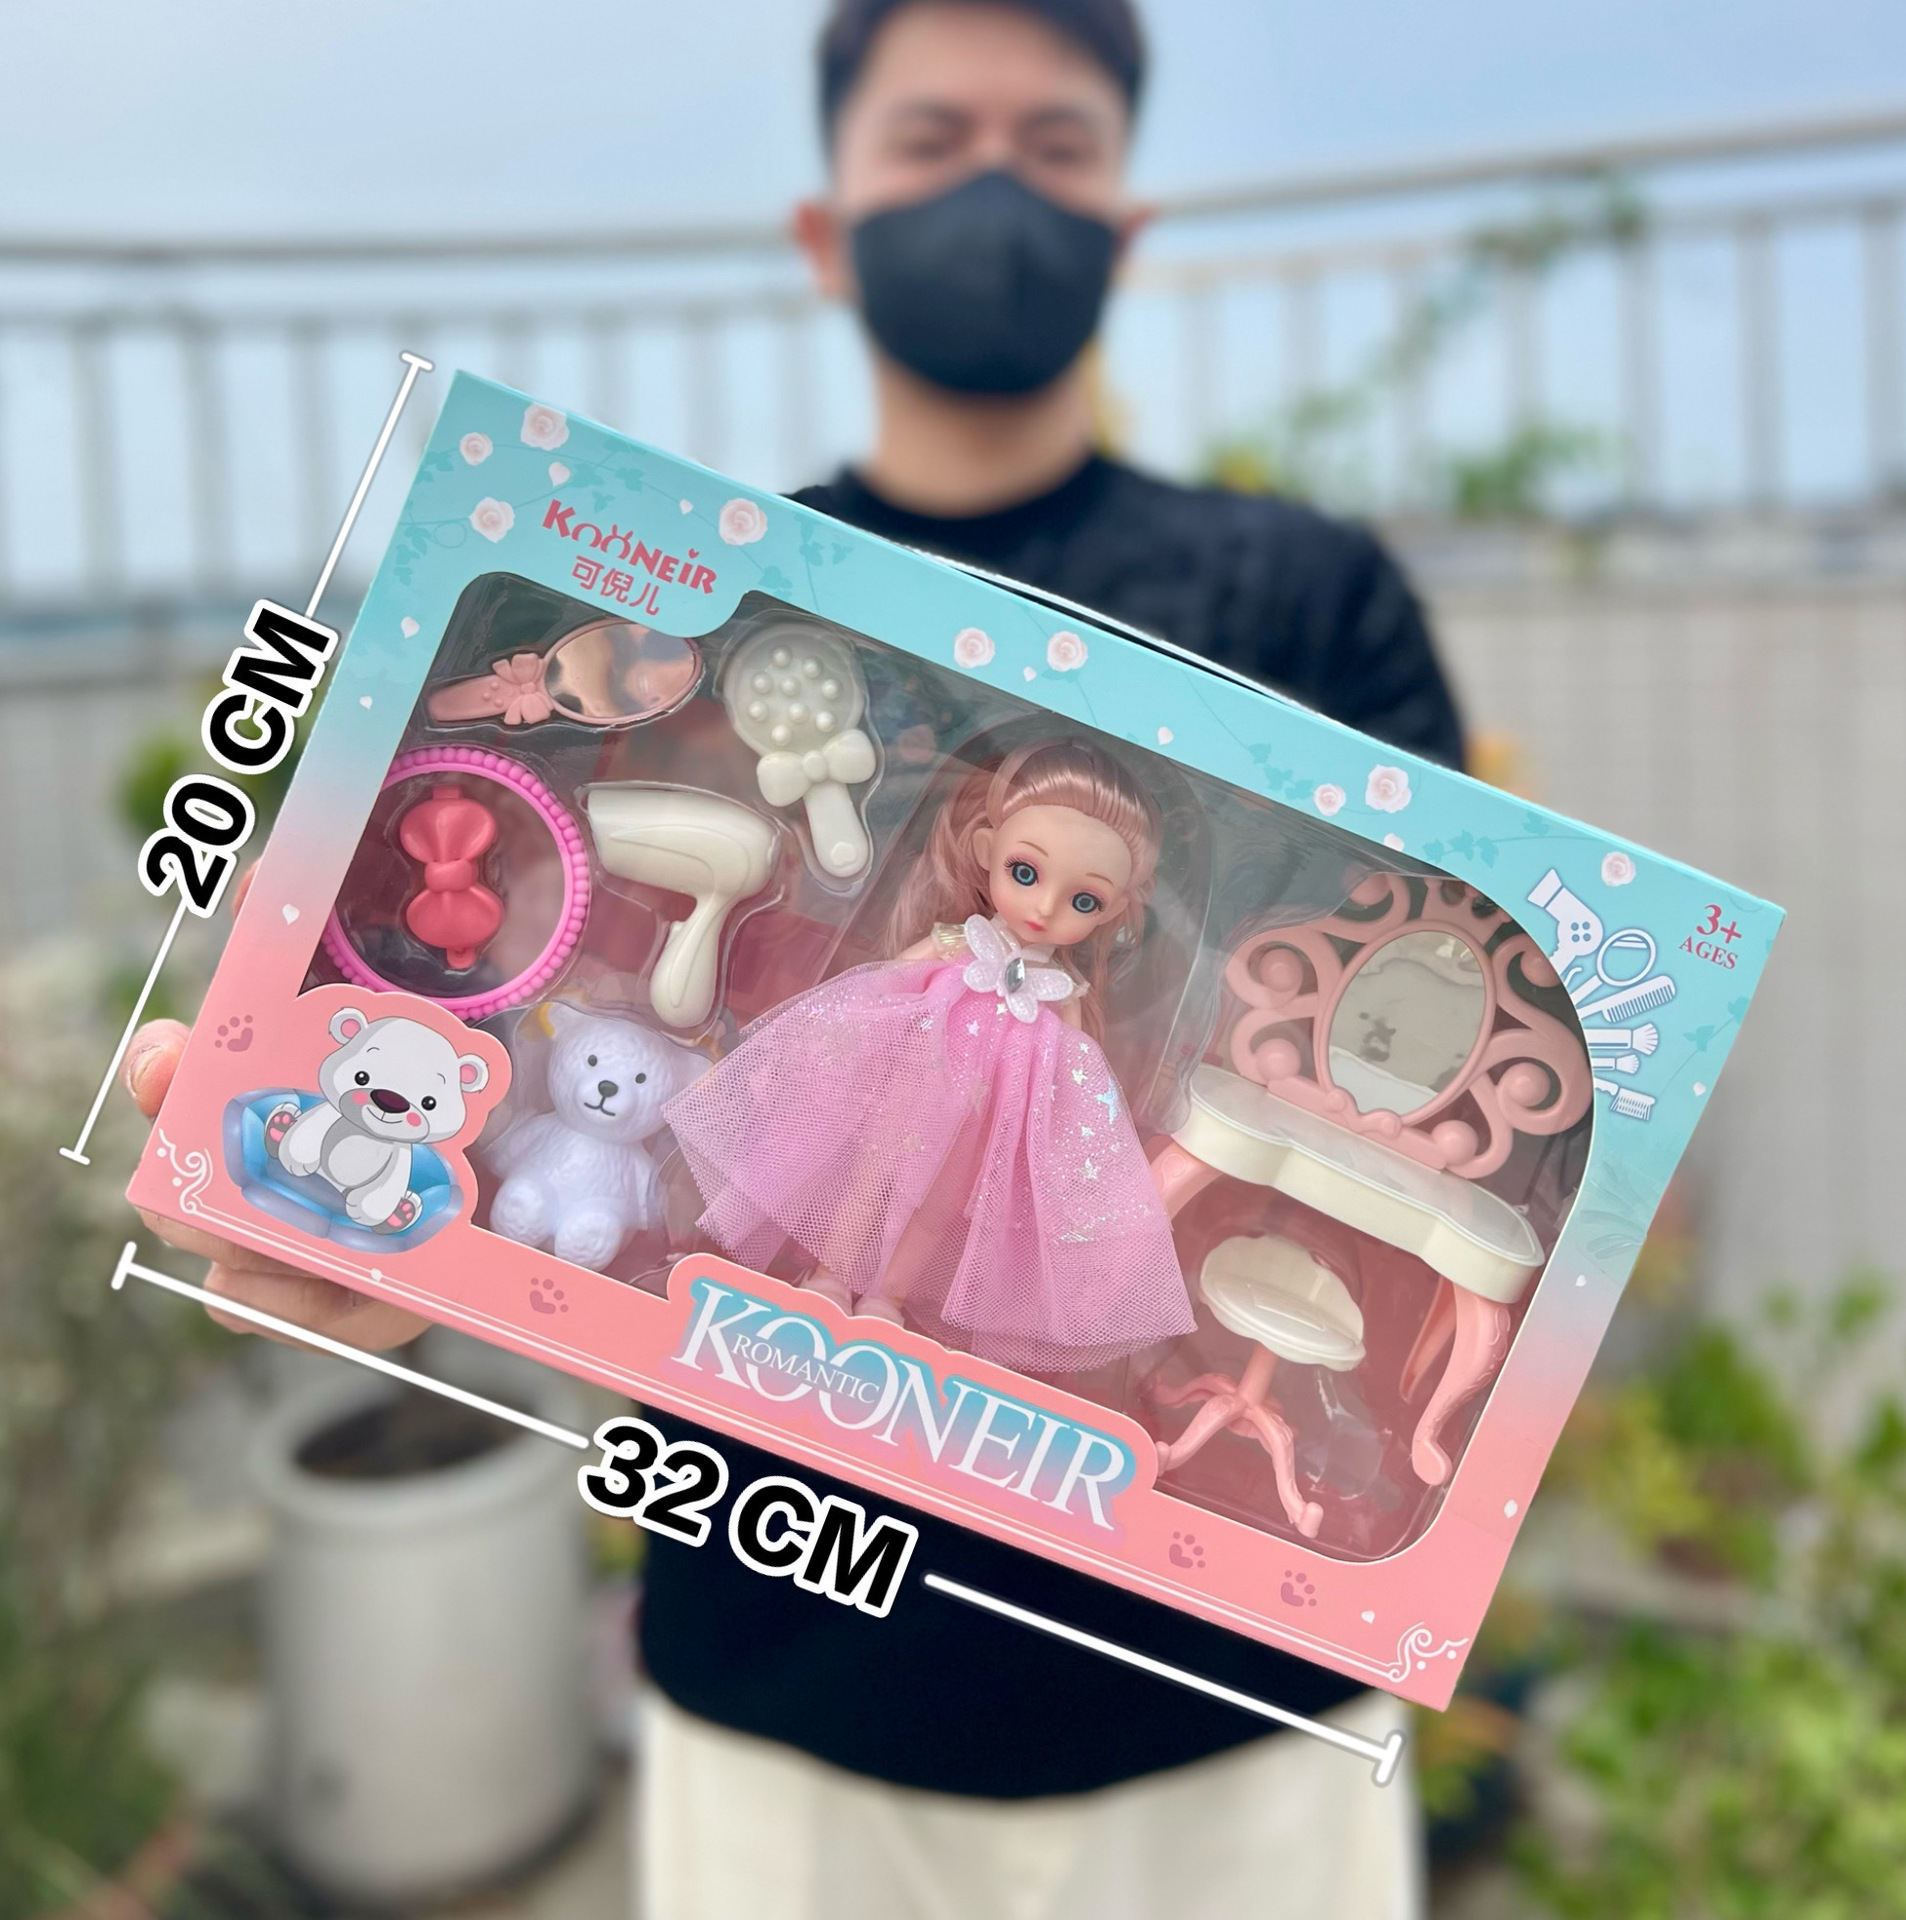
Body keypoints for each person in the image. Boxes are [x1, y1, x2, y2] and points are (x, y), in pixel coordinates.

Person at [125, 4, 1461, 1915]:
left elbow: (1433, 1052)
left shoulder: (1308, 599)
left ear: (1126, 224)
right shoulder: (695, 612)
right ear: (827, 229)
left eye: (1054, 146)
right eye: (931, 141)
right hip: (780, 1673)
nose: (993, 194)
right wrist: (397, 1203)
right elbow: (537, 1006)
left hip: (1236, 1714)